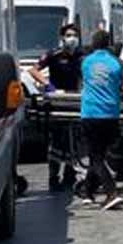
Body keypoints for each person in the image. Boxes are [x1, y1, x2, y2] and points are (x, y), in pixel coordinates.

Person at [29, 23, 85, 191]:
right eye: (68, 35)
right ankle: (53, 176)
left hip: (75, 99)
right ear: (62, 38)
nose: (72, 38)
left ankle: (70, 175)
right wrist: (46, 83)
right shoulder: (54, 54)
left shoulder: (82, 55)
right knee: (56, 141)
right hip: (57, 100)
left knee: (73, 140)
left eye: (74, 35)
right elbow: (34, 70)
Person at [79, 30, 123, 210]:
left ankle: (111, 192)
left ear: (93, 43)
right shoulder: (118, 62)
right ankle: (88, 191)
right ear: (109, 44)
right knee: (100, 153)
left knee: (95, 156)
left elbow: (81, 81)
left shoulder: (86, 61)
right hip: (110, 114)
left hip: (90, 112)